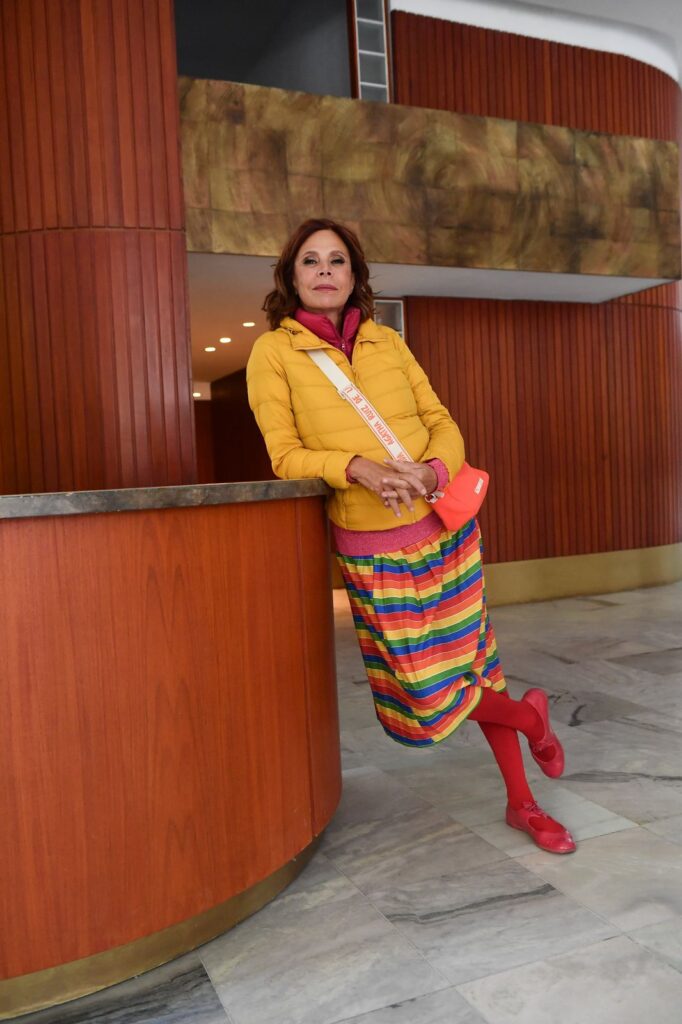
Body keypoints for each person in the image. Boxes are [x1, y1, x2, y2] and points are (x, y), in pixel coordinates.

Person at [247, 218, 575, 854]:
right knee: (424, 690)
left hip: (446, 530)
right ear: (291, 276)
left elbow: (441, 422)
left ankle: (523, 803)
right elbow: (284, 454)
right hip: (371, 547)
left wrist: (432, 471)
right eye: (310, 260)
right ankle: (530, 718)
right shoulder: (273, 353)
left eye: (337, 260)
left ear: (354, 276)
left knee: (479, 667)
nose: (324, 270)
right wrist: (356, 468)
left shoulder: (387, 342)